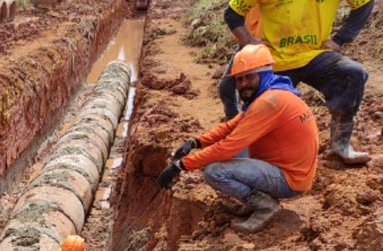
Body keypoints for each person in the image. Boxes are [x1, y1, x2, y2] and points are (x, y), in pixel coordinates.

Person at [158, 44, 318, 234]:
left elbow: (228, 146)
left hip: (289, 179)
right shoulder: (270, 94)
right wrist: (195, 142)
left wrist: (181, 166)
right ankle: (255, 200)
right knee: (227, 154)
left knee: (214, 170)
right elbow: (230, 127)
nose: (243, 84)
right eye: (240, 79)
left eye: (249, 77)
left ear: (264, 74)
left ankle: (265, 206)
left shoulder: (269, 103)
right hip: (285, 166)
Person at [221, 0, 373, 165]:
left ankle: (340, 145)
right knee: (253, 100)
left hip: (315, 54)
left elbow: (364, 3)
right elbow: (232, 14)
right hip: (275, 59)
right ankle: (249, 150)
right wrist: (250, 42)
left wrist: (340, 38)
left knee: (352, 73)